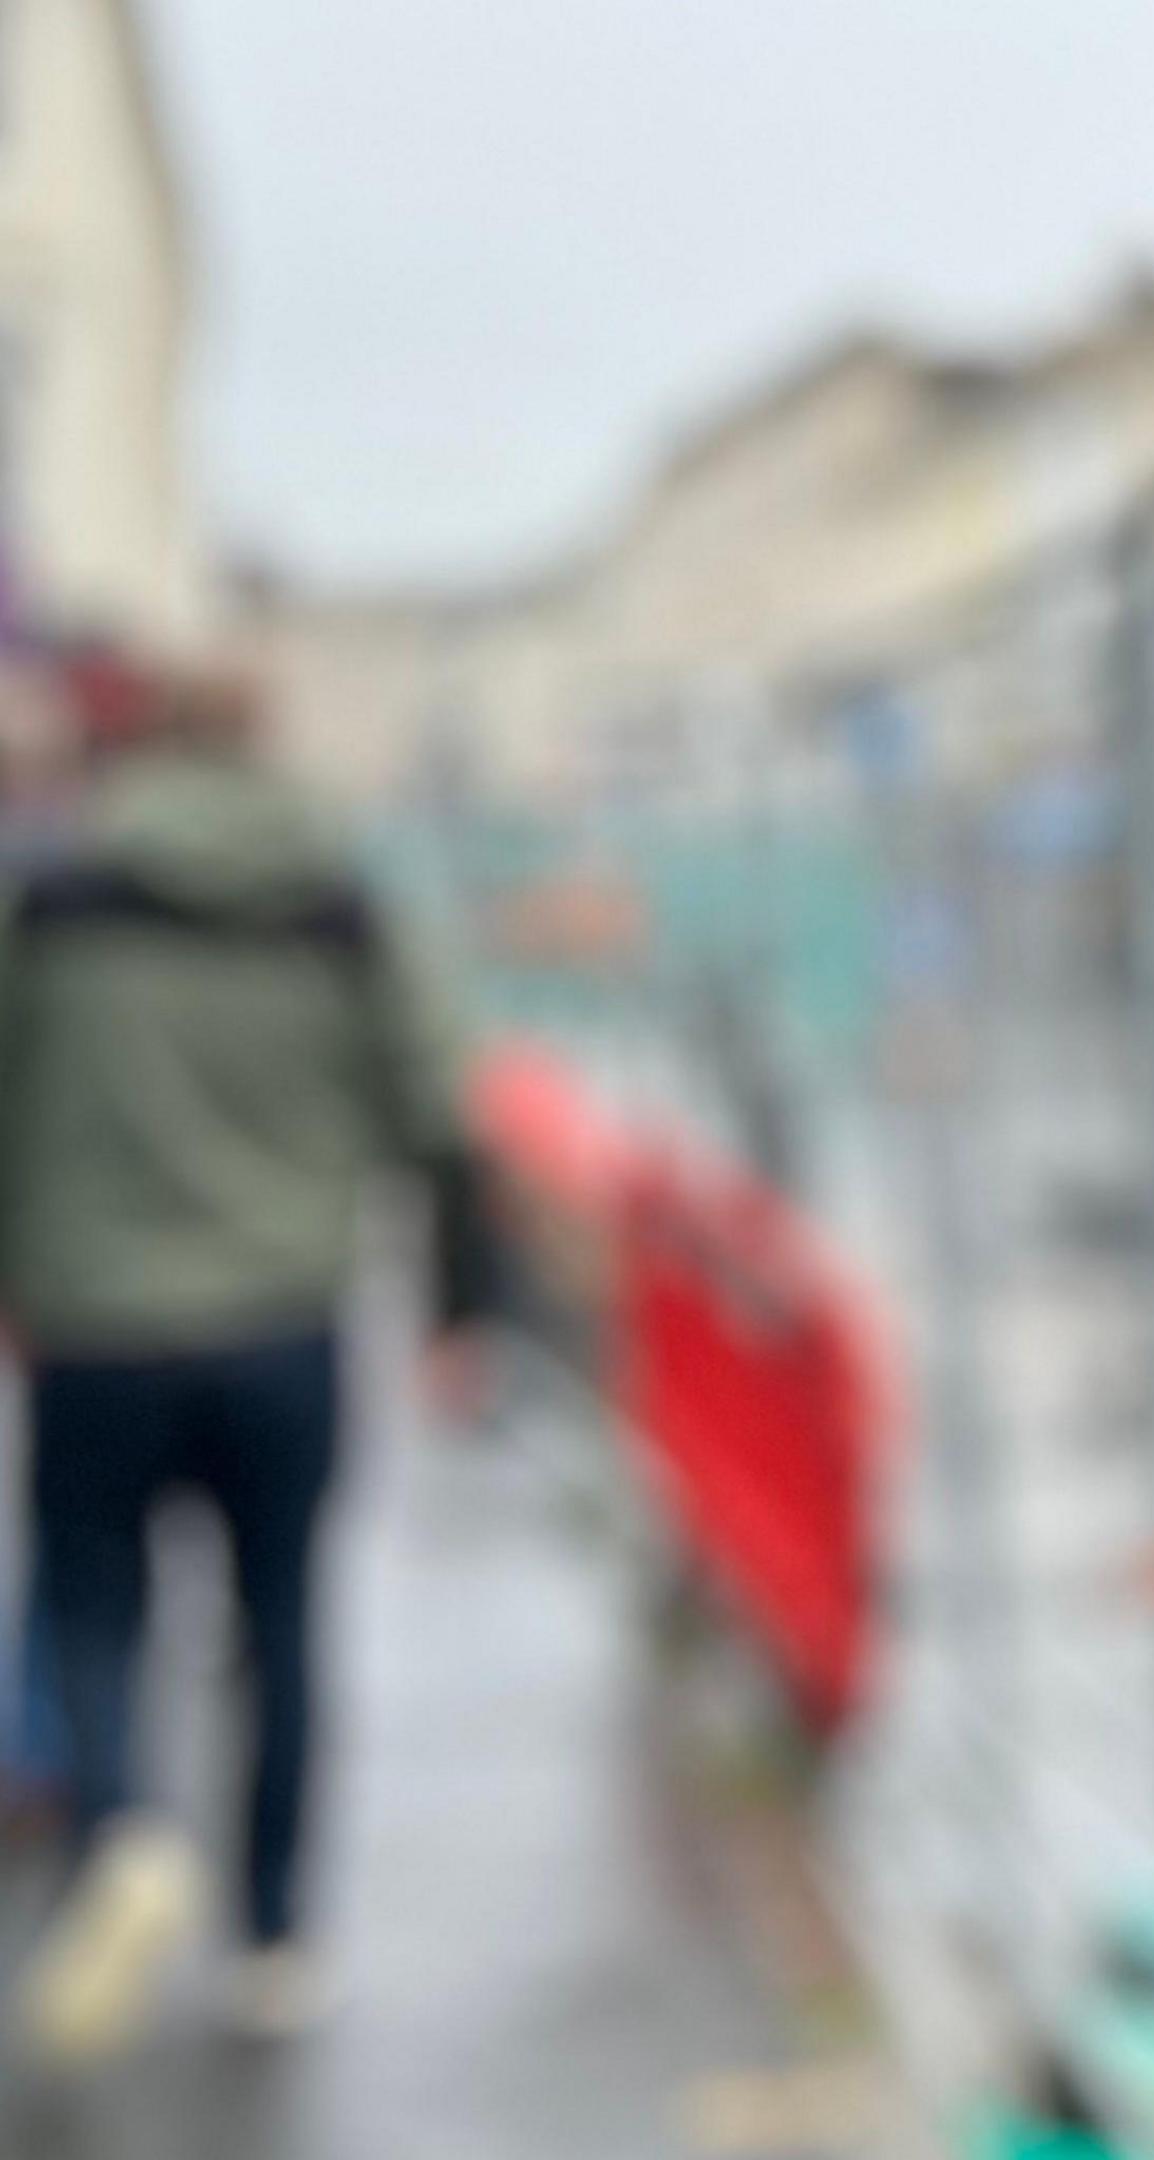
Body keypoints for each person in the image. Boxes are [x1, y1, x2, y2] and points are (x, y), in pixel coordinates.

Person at [0, 658, 495, 2060]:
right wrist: (463, 1309)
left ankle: (125, 1836)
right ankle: (275, 1938)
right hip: (285, 1328)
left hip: (93, 1325)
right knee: (278, 1625)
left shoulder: (52, 901)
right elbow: (436, 1108)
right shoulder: (339, 904)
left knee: (94, 1609)